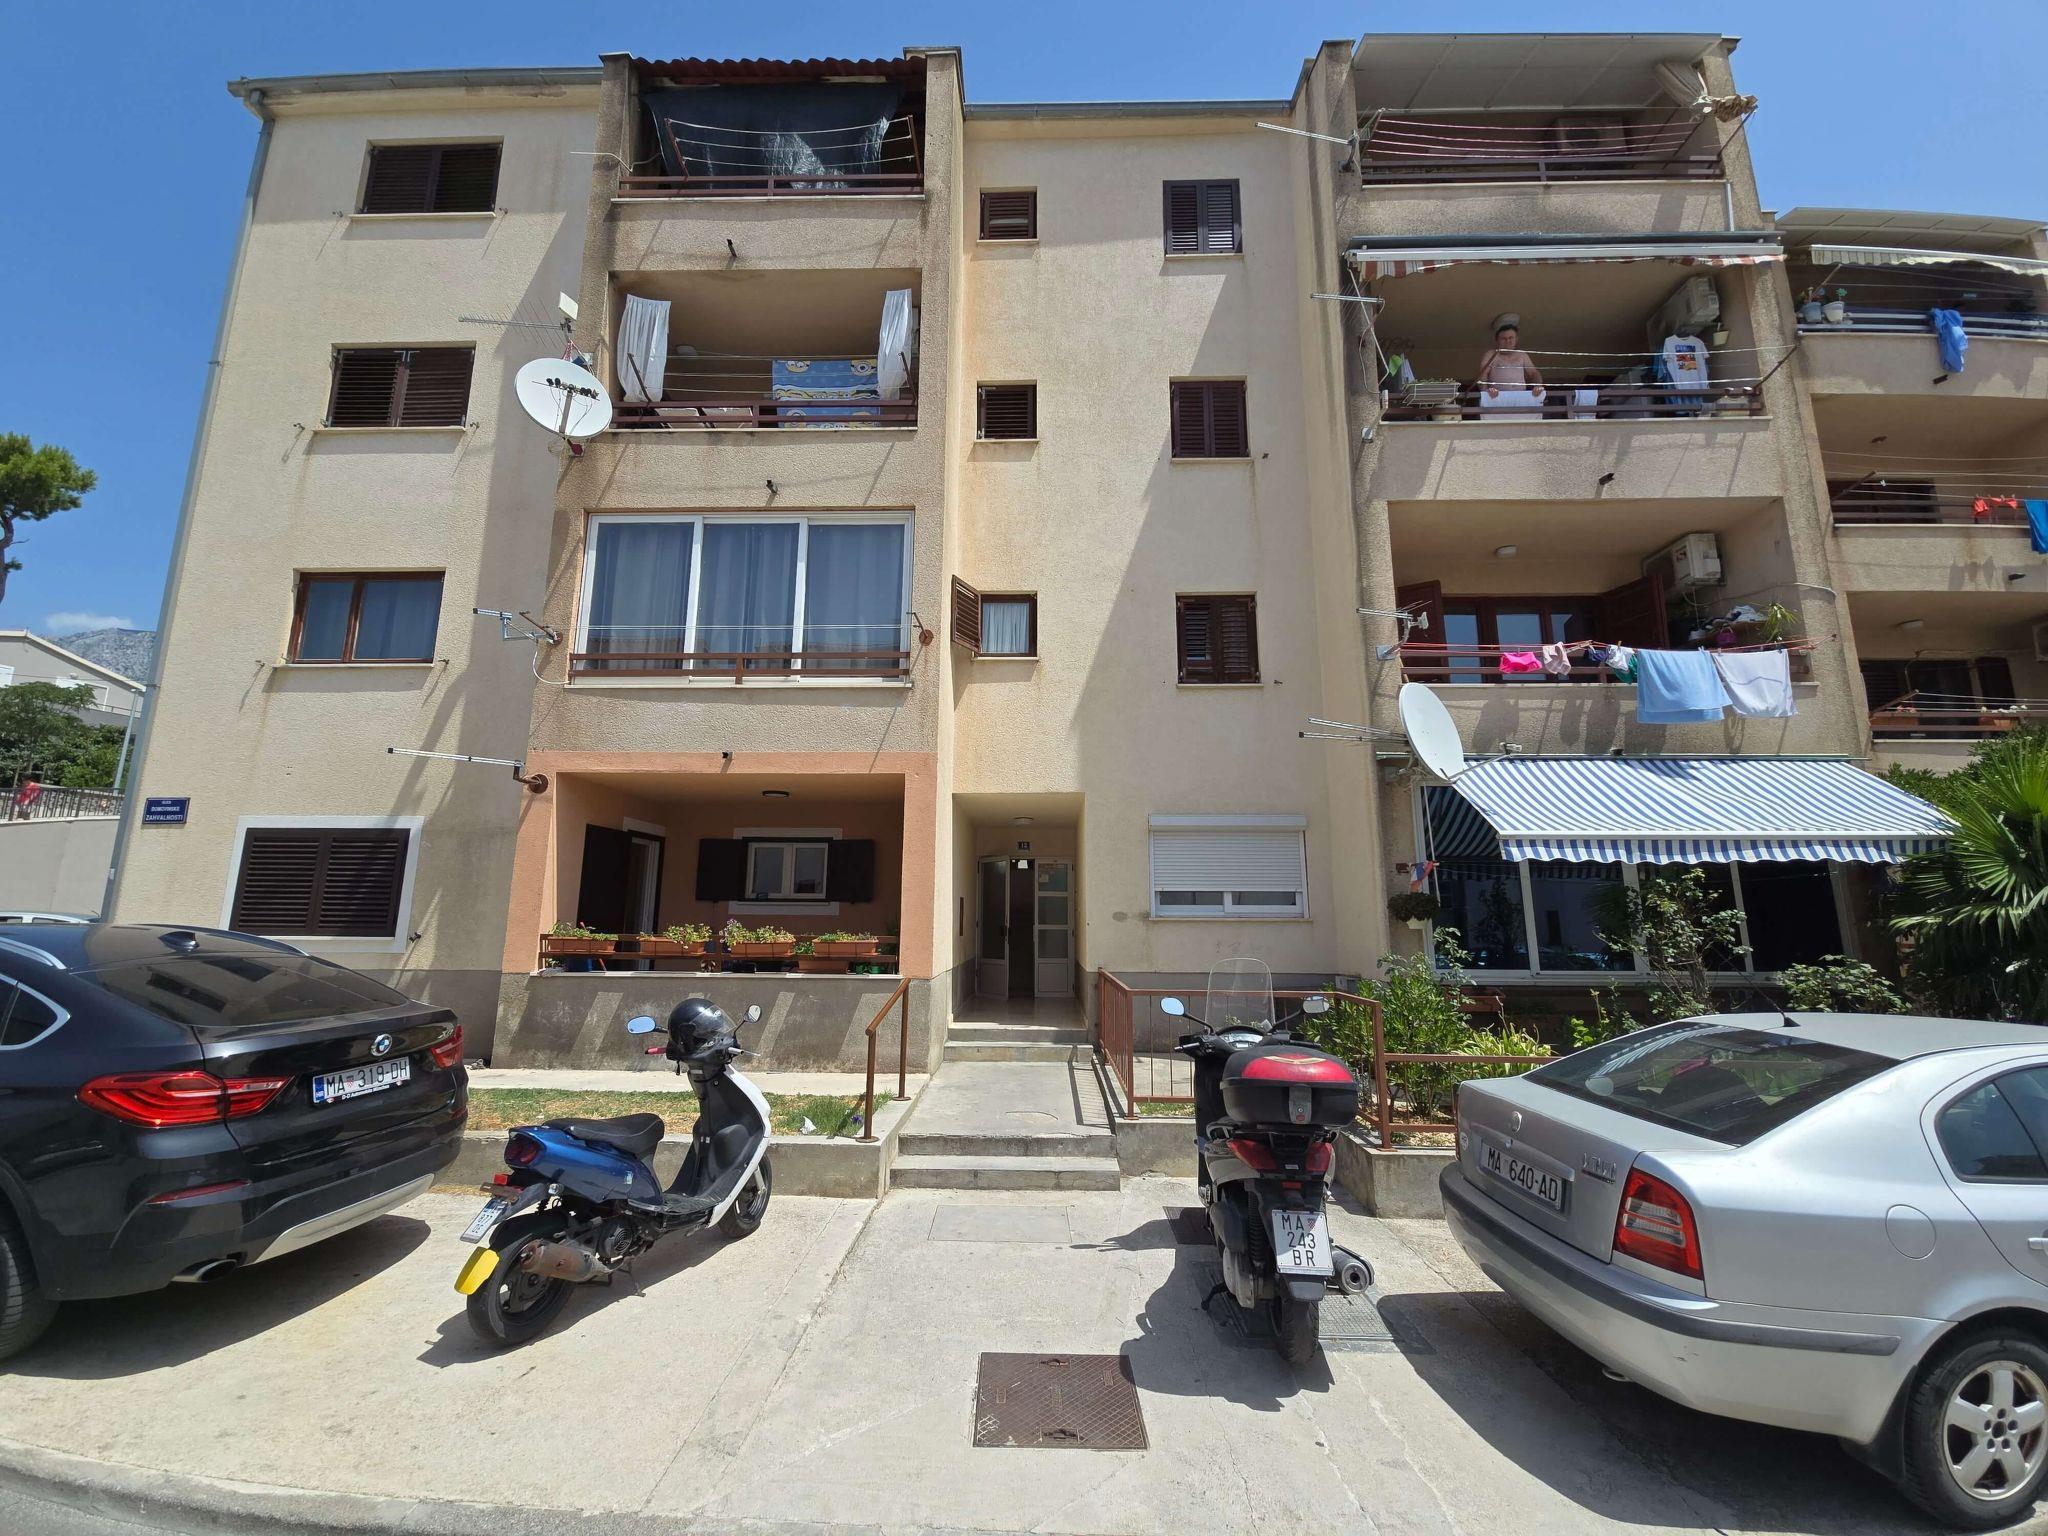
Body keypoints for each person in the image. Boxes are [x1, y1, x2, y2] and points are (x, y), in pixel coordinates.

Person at [1479, 313, 1544, 400]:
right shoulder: (1491, 355)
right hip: (1497, 399)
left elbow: (1533, 373)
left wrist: (1538, 386)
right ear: (1497, 340)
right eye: (1504, 338)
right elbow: (1482, 375)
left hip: (1520, 399)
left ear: (1516, 339)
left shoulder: (1522, 355)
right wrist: (1485, 392)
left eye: (1511, 338)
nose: (1508, 341)